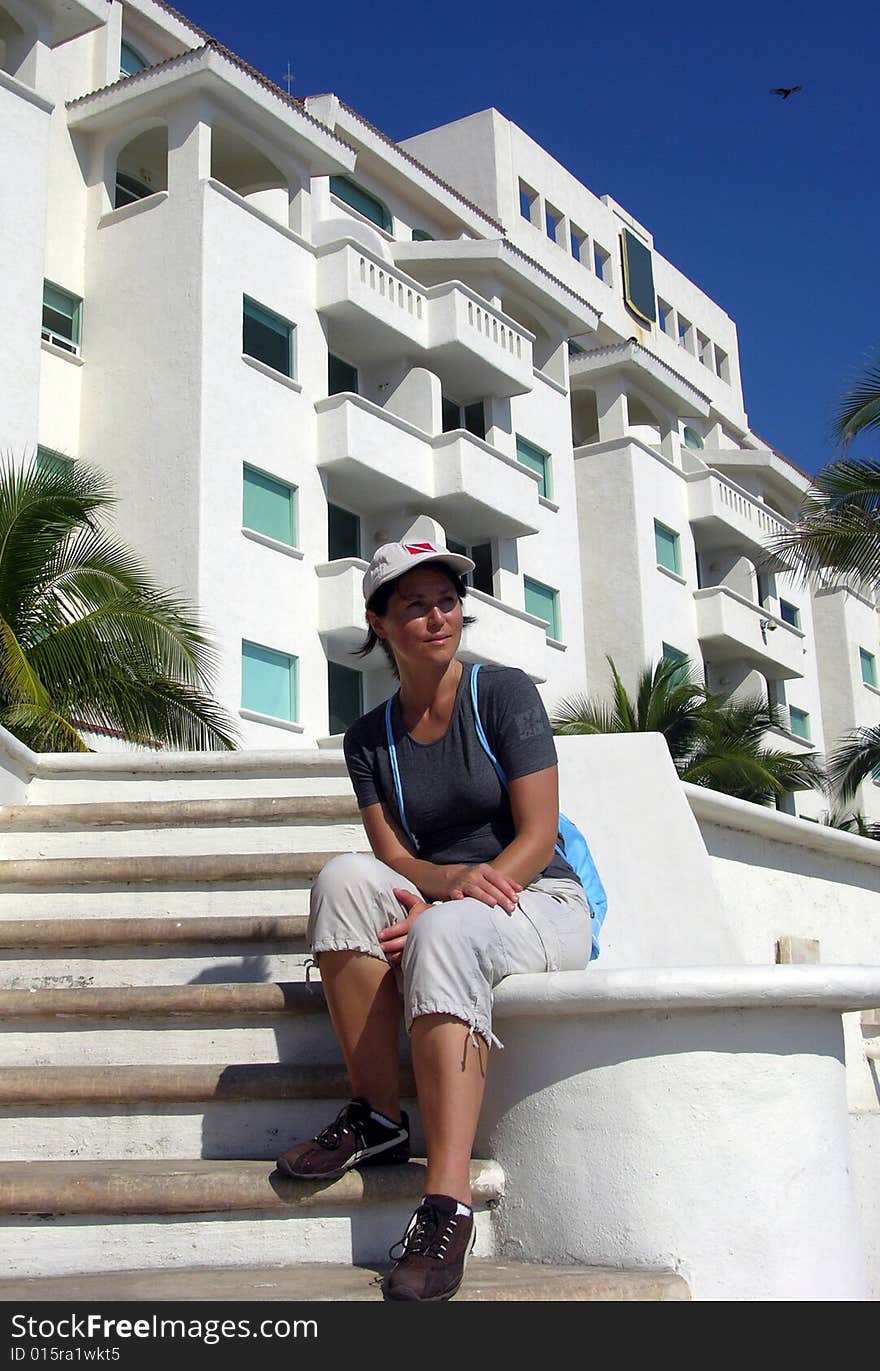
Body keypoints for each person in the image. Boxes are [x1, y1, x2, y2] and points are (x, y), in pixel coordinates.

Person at [276, 533, 592, 1301]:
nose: (436, 616)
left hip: (537, 896)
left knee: (445, 931)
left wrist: (453, 900)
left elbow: (538, 835)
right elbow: (390, 855)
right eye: (413, 605)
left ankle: (446, 1203)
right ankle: (380, 1115)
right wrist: (442, 884)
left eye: (446, 600)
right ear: (380, 622)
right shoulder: (368, 738)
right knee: (342, 879)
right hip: (449, 896)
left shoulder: (503, 693)